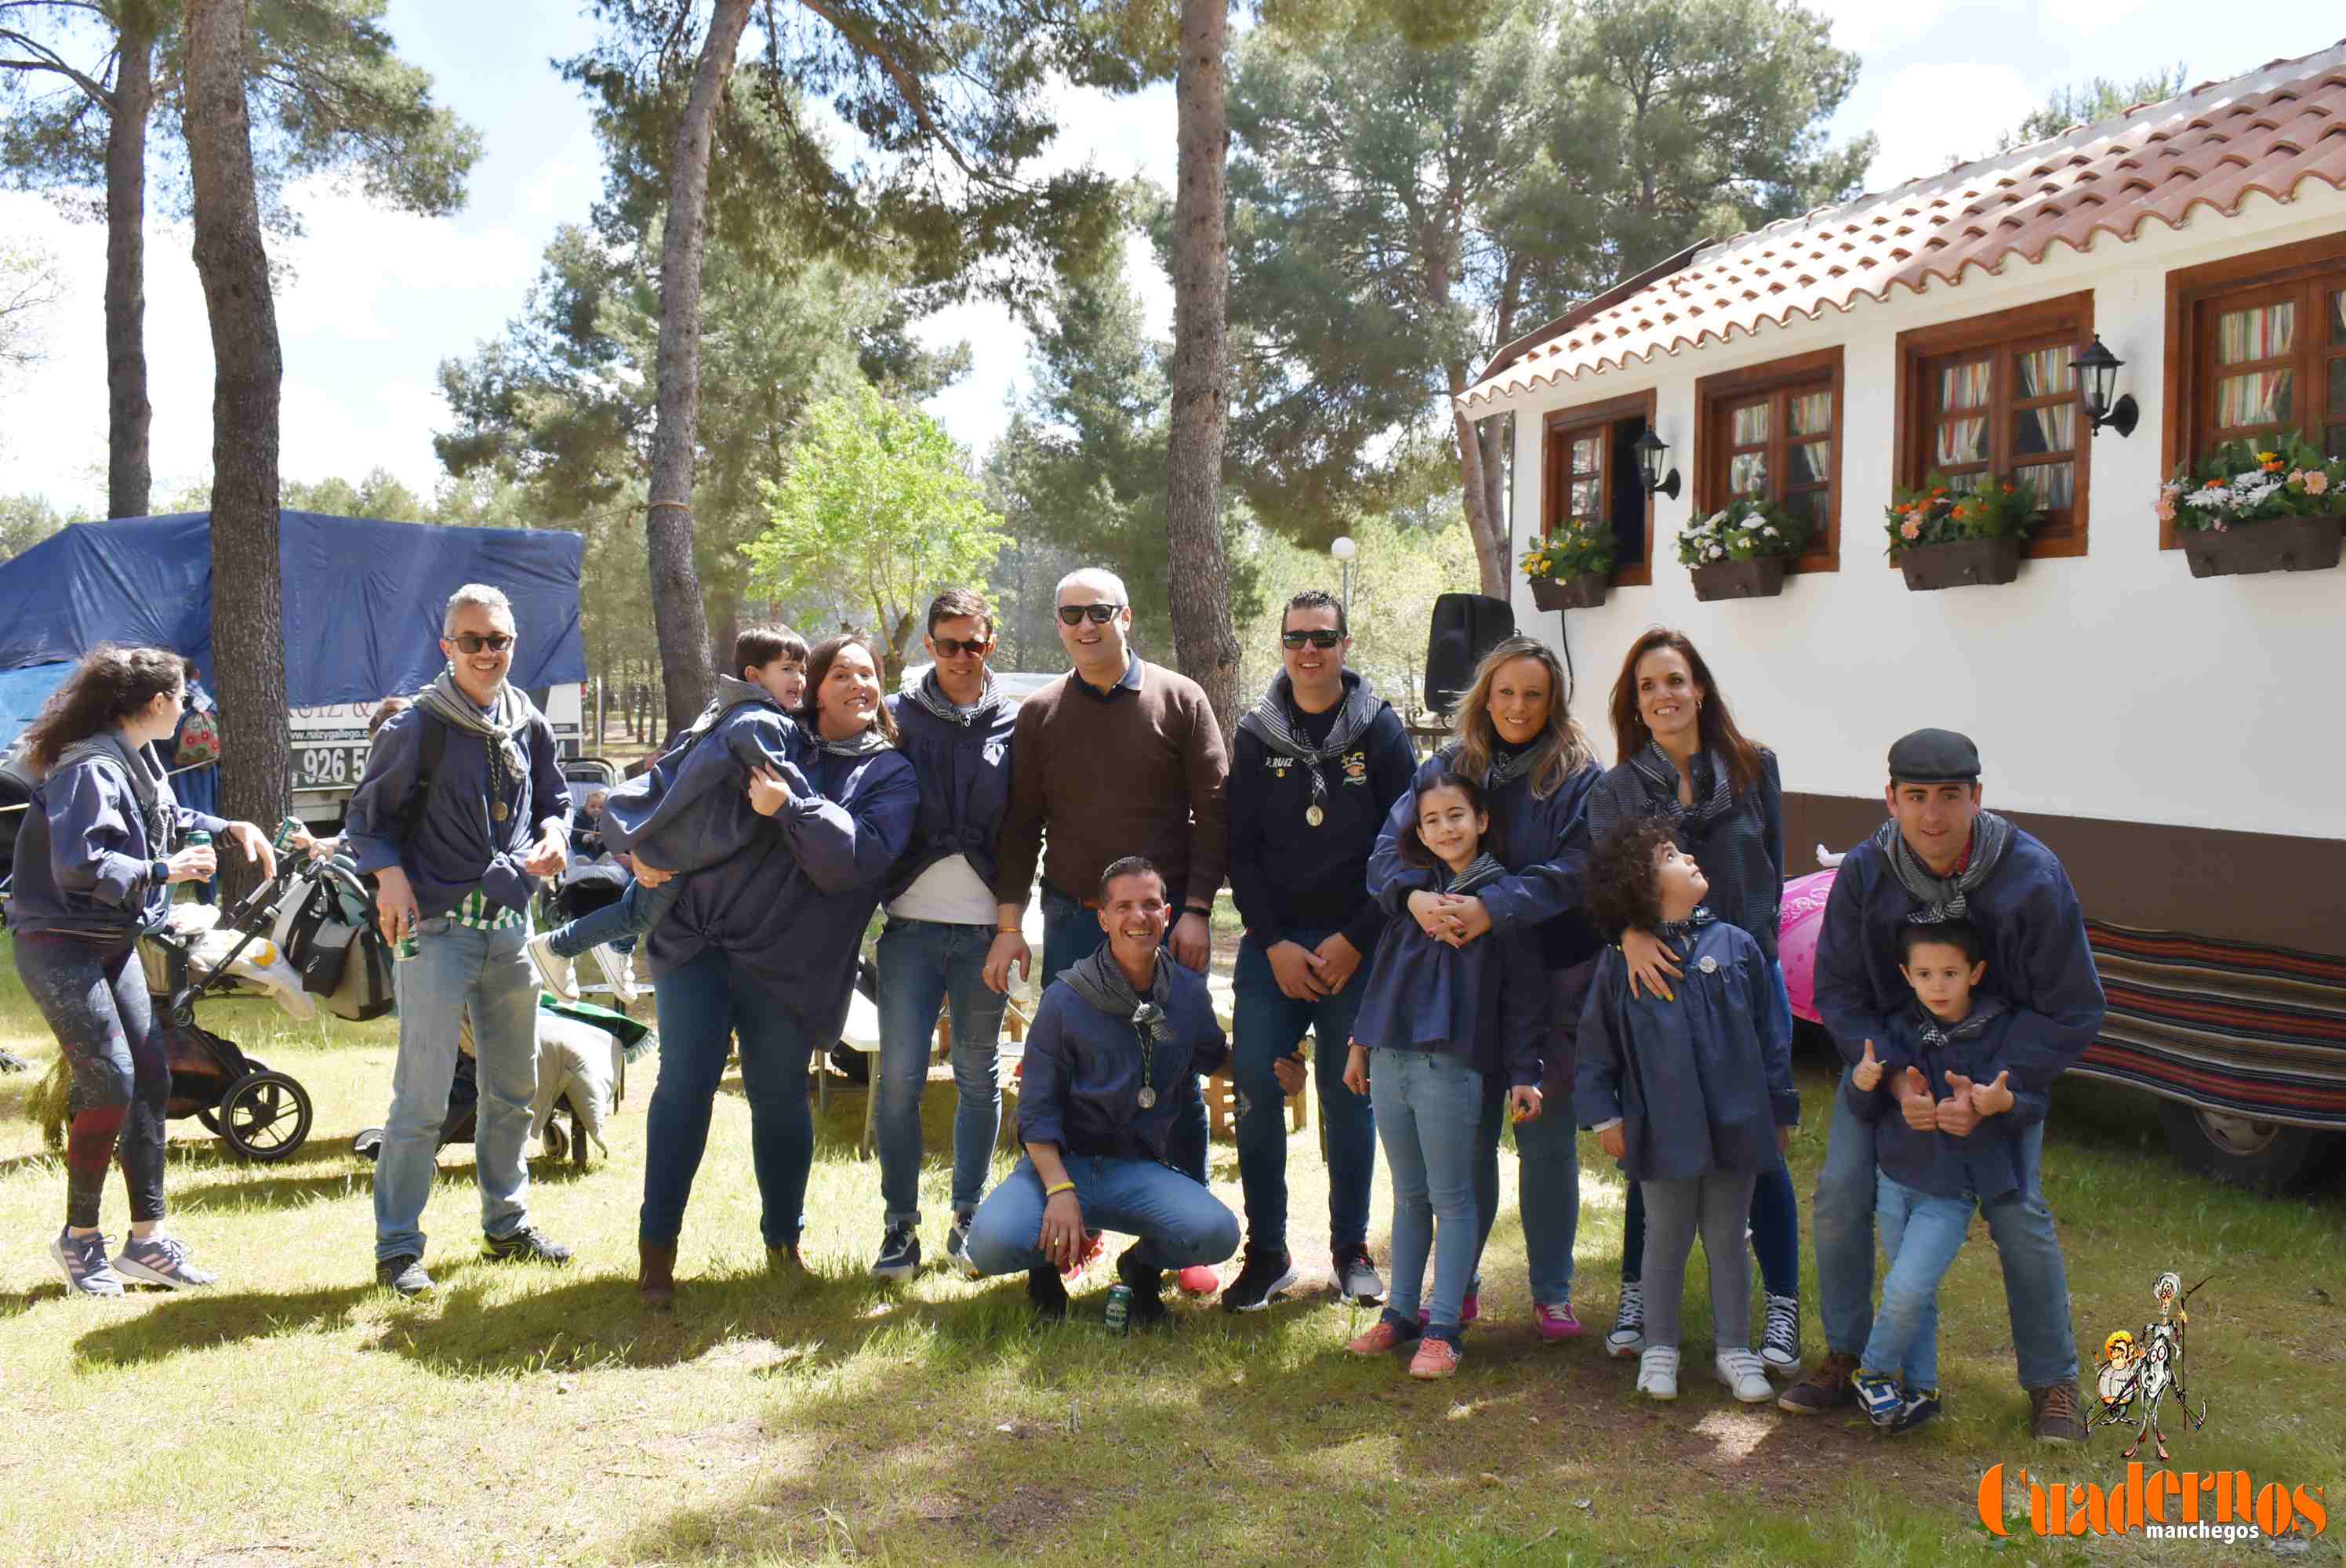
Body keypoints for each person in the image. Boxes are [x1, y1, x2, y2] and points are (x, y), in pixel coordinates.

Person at [1779, 728, 2104, 1444]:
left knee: (2019, 1215)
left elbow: (2074, 1006)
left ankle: (2053, 1381)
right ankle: (1851, 1356)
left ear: (1978, 798)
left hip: (1995, 1075)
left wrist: (1994, 1088)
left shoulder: (2032, 876)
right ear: (1890, 799)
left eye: (1950, 797)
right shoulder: (1866, 874)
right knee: (1838, 1195)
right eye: (1916, 798)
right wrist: (1894, 1077)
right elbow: (1839, 990)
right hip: (1894, 1067)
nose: (1932, 817)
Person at [616, 631, 916, 1306]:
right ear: (812, 684)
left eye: (868, 675)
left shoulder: (888, 773)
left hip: (786, 962)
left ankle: (784, 1244)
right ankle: (656, 1253)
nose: (856, 686)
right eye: (839, 673)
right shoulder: (765, 730)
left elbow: (855, 864)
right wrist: (636, 847)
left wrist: (793, 809)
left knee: (780, 1098)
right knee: (683, 1089)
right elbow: (667, 785)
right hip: (697, 942)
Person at [985, 566, 1229, 1294]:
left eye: (1099, 612)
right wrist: (1008, 924)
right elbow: (1020, 825)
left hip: (1164, 924)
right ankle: (1050, 1253)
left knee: (1174, 1078)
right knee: (1063, 1077)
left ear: (1127, 617)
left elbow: (1214, 811)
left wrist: (1194, 911)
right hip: (1070, 915)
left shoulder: (1180, 699)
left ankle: (1170, 1246)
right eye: (1070, 615)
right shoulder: (1040, 713)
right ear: (1058, 625)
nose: (1085, 626)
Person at [8, 644, 277, 1294]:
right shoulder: (87, 770)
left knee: (150, 1081)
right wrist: (165, 871)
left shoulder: (135, 756)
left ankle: (148, 1244)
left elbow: (156, 820)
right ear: (156, 705)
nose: (188, 711)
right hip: (58, 942)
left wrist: (225, 825)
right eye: (184, 700)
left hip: (111, 939)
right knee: (110, 1084)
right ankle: (79, 1243)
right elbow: (83, 865)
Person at [1367, 635, 1603, 1341]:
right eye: (1505, 693)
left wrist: (1494, 907)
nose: (1518, 707)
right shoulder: (1445, 769)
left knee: (1546, 1140)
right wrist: (1410, 897)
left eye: (1534, 695)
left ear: (1553, 701)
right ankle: (1459, 1287)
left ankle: (1551, 1292)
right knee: (1466, 1141)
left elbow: (1579, 868)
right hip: (1456, 983)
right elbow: (1387, 853)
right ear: (1484, 696)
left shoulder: (1578, 778)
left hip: (1547, 976)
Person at [344, 586, 575, 1298]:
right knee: (422, 1097)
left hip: (511, 930)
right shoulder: (417, 725)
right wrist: (388, 878)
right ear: (447, 646)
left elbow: (554, 799)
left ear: (513, 644)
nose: (486, 653)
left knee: (513, 1090)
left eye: (498, 640)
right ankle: (398, 1248)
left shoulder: (526, 718)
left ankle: (507, 1225)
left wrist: (557, 835)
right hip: (436, 933)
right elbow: (368, 820)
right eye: (471, 640)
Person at [1586, 629, 1803, 1374]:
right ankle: (1640, 1294)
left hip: (1749, 979)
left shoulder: (1754, 767)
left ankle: (1780, 1304)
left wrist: (1758, 955)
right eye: (1648, 686)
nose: (1664, 695)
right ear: (1635, 704)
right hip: (1663, 980)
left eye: (1675, 680)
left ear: (1700, 688)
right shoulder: (1616, 790)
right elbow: (1609, 883)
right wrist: (1628, 937)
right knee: (1661, 1139)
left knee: (1759, 1148)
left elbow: (1772, 864)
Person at [1222, 589, 1415, 1311]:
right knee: (1256, 1095)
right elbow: (1240, 852)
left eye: (1323, 638)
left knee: (1348, 1098)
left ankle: (1350, 1250)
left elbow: (1408, 846)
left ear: (1345, 644)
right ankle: (1267, 1252)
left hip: (1357, 950)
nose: (1309, 650)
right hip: (1274, 952)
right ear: (1281, 645)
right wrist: (1272, 944)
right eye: (1296, 637)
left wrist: (1355, 941)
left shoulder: (1383, 732)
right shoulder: (1254, 733)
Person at [964, 856, 1241, 1323]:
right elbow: (1035, 1113)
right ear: (1104, 918)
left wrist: (1269, 1068)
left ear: (1167, 915)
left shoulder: (1186, 993)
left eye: (1151, 904)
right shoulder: (1066, 999)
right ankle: (1045, 1276)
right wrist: (1059, 1189)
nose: (1139, 917)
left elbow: (1214, 1056)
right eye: (1124, 906)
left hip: (1136, 1169)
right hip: (1061, 1163)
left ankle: (1141, 1268)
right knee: (989, 1243)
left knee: (1217, 1233)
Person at [1575, 818, 1796, 1404]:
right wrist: (1606, 1117)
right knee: (1665, 1238)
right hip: (1660, 1128)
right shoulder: (1620, 962)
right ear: (1642, 888)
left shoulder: (1738, 946)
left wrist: (1780, 1110)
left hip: (1738, 1123)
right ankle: (1660, 1348)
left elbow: (1772, 1039)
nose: (1691, 857)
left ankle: (1735, 1351)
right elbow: (1596, 1047)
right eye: (1672, 855)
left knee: (1728, 1237)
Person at [1342, 772, 1545, 1377]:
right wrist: (1360, 1044)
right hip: (1391, 1059)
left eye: (1457, 815)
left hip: (1451, 1065)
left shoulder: (1501, 900)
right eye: (1431, 820)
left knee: (1453, 1200)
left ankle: (1445, 1328)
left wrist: (1523, 1073)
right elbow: (1383, 974)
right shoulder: (1412, 895)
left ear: (1482, 821)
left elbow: (1524, 999)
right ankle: (1400, 1314)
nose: (1445, 828)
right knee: (1408, 1196)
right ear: (1420, 831)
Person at [525, 626, 807, 1003]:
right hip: (688, 846)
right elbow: (780, 780)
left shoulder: (724, 710)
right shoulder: (761, 721)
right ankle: (556, 946)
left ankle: (617, 950)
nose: (799, 679)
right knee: (639, 916)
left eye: (803, 670)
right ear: (754, 676)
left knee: (636, 907)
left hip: (675, 832)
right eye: (788, 668)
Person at [1843, 920, 2044, 1435]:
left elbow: (2030, 1101)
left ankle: (1872, 1371)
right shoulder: (1897, 1028)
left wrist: (2001, 1101)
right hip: (1896, 1178)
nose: (1937, 985)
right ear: (1907, 976)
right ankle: (1922, 1386)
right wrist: (1869, 1082)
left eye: (1950, 973)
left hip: (1952, 1191)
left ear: (1976, 973)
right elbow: (1863, 1104)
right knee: (1919, 1290)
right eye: (1926, 973)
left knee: (1907, 1287)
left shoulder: (1999, 1031)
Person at [872, 590, 1022, 1280]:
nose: (963, 657)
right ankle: (899, 1226)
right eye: (949, 644)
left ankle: (970, 1216)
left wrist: (1011, 926)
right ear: (929, 645)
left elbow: (1028, 829)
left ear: (992, 644)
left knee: (977, 1077)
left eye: (976, 644)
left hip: (985, 931)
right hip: (909, 929)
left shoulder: (1019, 723)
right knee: (899, 1080)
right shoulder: (895, 718)